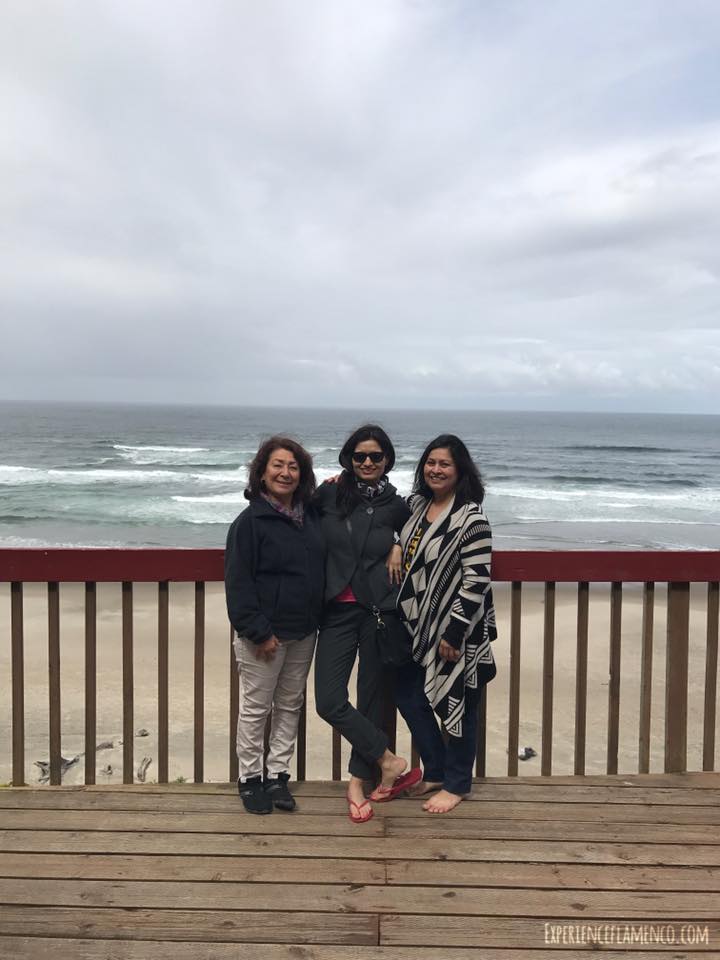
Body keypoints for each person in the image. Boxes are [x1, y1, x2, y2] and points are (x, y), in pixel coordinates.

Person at [314, 424, 421, 823]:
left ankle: (358, 783)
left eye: (376, 456)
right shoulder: (328, 493)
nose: (368, 462)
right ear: (349, 459)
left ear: (387, 459)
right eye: (360, 456)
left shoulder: (398, 504)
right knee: (329, 699)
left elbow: (421, 531)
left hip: (379, 611)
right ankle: (389, 759)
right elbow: (293, 514)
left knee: (372, 699)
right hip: (337, 611)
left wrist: (398, 542)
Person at [394, 434, 497, 814]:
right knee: (408, 693)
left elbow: (476, 578)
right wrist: (393, 543)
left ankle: (457, 784)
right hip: (416, 626)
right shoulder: (416, 506)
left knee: (460, 702)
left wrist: (454, 631)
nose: (436, 470)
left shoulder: (472, 517)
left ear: (460, 471)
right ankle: (435, 770)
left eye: (445, 464)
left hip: (457, 629)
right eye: (431, 462)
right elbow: (392, 526)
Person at [225, 437, 324, 815]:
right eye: (278, 465)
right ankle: (250, 779)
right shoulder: (250, 522)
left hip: (304, 630)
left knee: (289, 704)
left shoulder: (309, 516)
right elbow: (238, 582)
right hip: (265, 636)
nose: (286, 472)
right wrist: (258, 632)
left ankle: (277, 775)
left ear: (302, 475)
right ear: (262, 472)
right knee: (256, 707)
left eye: (293, 466)